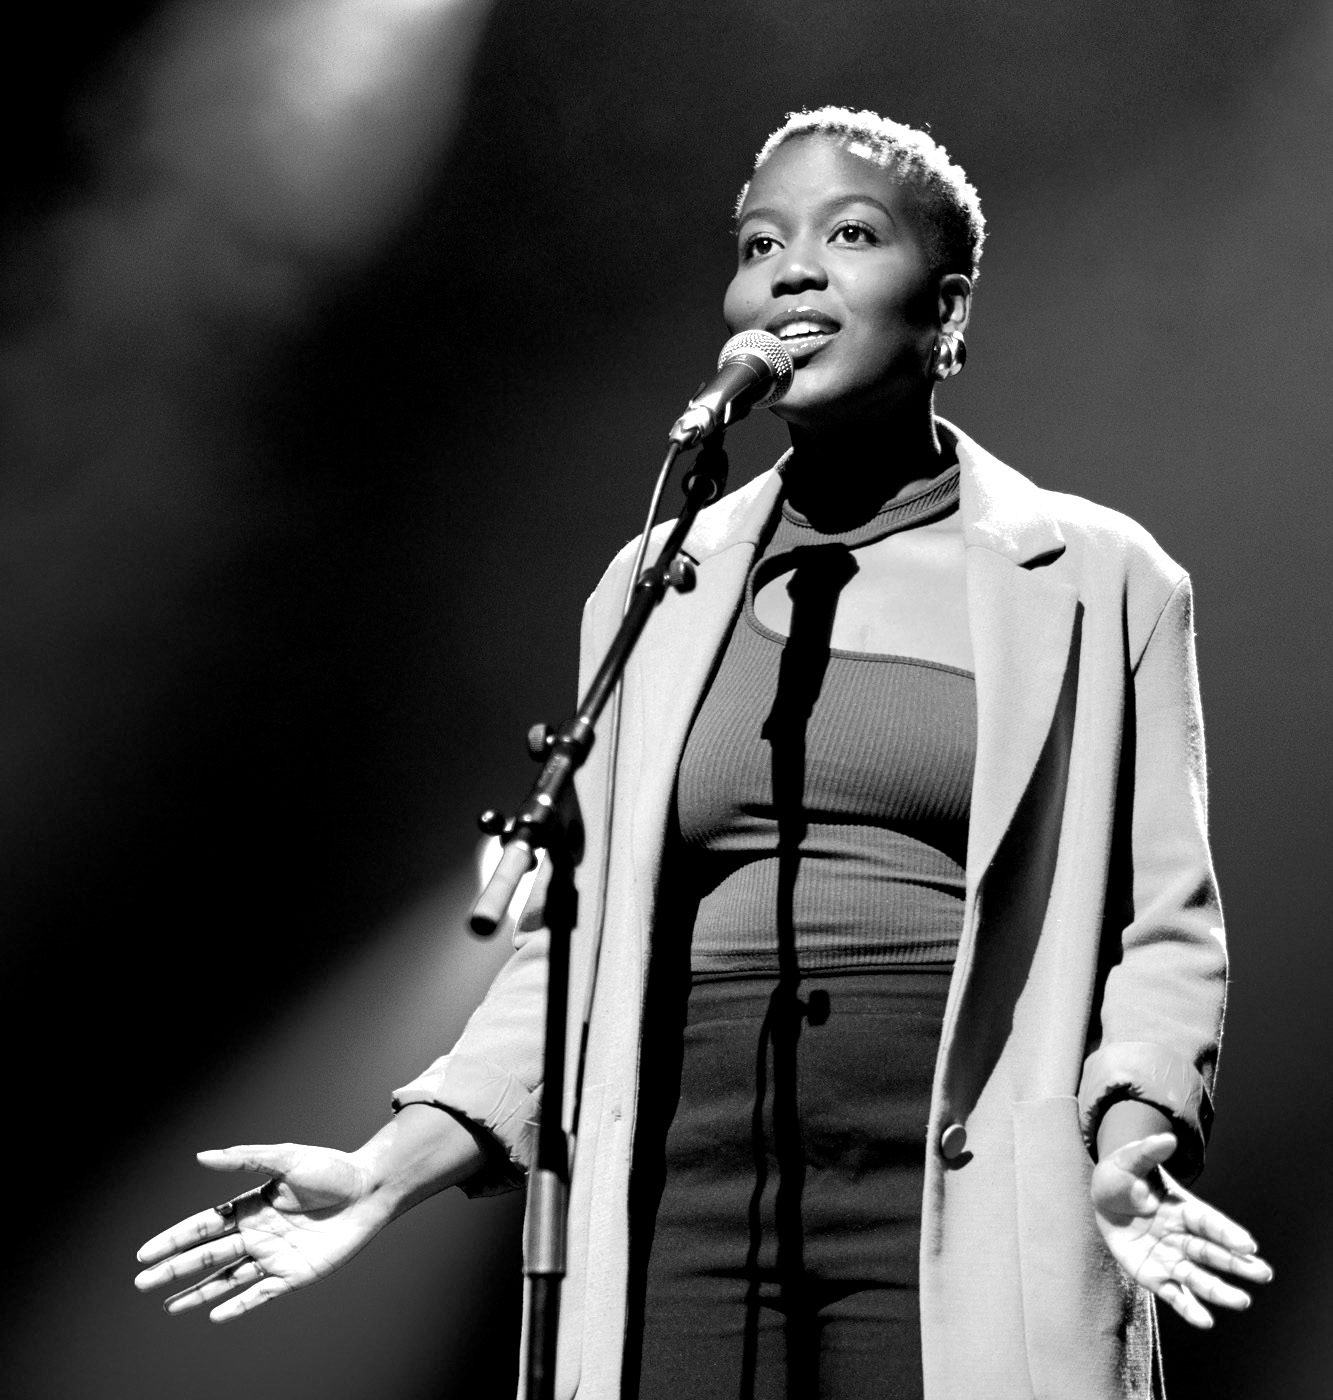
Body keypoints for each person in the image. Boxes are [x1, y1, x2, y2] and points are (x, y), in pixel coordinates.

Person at [134, 107, 1272, 1399]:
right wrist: (390, 1168)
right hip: (686, 1196)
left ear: (947, 310)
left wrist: (1132, 1137)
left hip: (975, 1194)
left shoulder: (1100, 579)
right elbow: (572, 946)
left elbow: (1165, 925)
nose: (793, 271)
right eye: (760, 244)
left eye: (851, 235)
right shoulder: (659, 584)